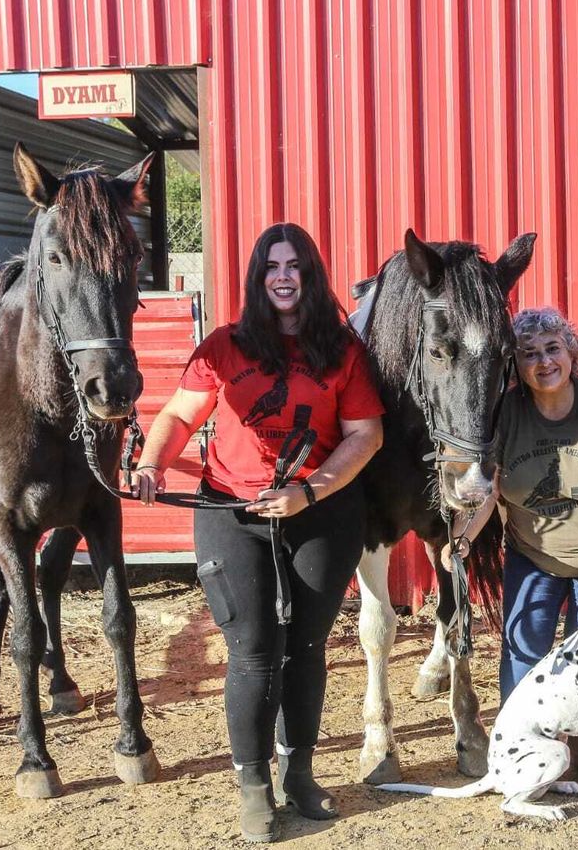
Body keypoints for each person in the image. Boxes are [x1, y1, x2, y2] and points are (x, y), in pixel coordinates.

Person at [132, 223, 384, 843]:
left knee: (306, 647)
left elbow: (365, 435)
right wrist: (151, 463)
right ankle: (253, 784)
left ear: (311, 275)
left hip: (320, 514)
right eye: (272, 265)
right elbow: (178, 414)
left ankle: (298, 772)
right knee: (252, 651)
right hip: (232, 515)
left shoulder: (343, 350)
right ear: (256, 275)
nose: (283, 275)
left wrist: (309, 491)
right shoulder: (224, 347)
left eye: (295, 265)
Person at [449, 306, 578, 786]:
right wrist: (463, 540)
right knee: (525, 648)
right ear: (517, 365)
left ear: (571, 352)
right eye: (529, 354)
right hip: (532, 556)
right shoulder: (507, 413)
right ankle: (520, 748)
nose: (544, 361)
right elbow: (489, 489)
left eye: (553, 348)